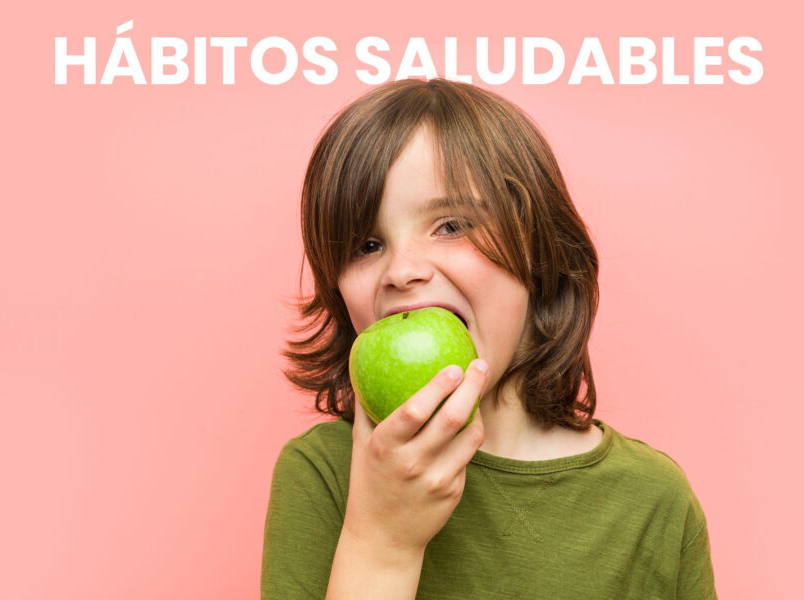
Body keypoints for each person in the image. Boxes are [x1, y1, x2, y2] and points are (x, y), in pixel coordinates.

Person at [261, 78, 717, 599]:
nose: (402, 270)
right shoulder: (324, 474)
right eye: (367, 244)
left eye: (451, 225)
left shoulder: (652, 499)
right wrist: (382, 542)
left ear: (539, 248)